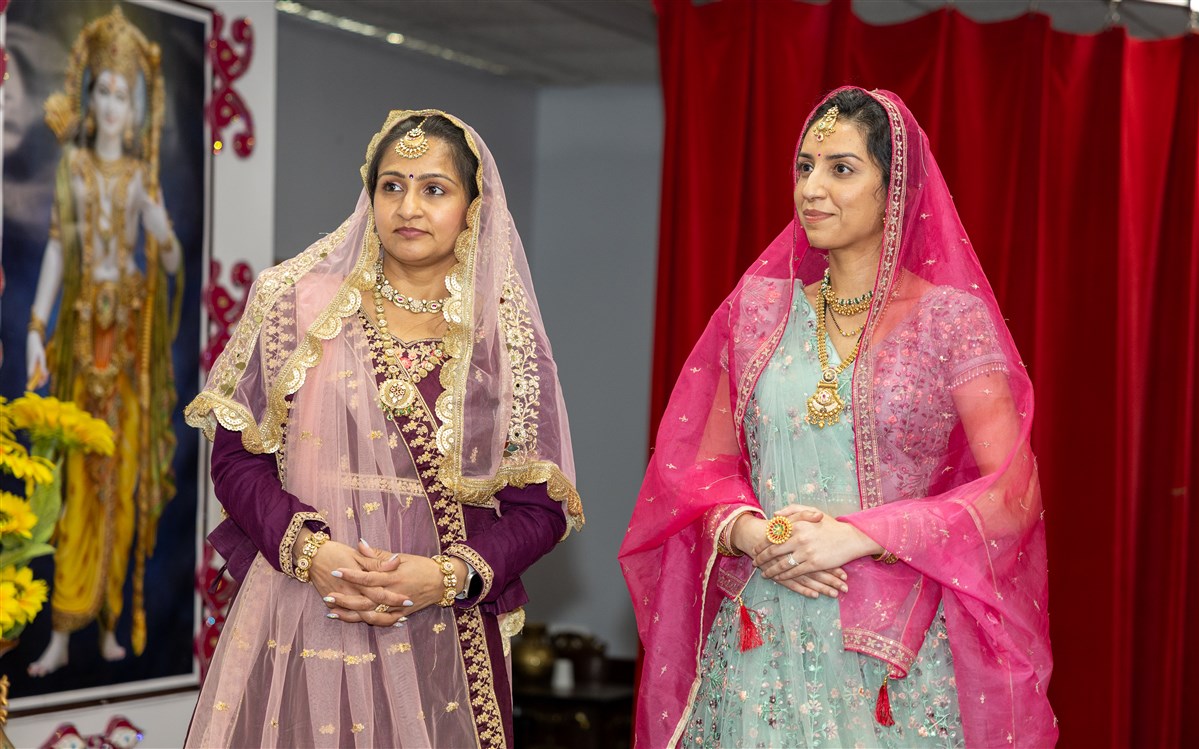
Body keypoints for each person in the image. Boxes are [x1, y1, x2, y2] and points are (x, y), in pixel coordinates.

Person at [620, 87, 1055, 747]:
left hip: (892, 657)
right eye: (805, 167)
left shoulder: (950, 322)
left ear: (894, 188)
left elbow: (1012, 493)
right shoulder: (757, 314)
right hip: (759, 644)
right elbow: (697, 474)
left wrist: (858, 535)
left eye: (841, 168)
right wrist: (751, 532)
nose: (812, 189)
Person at [183, 110, 584, 748]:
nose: (408, 207)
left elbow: (540, 508)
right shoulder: (299, 306)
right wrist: (312, 554)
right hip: (303, 607)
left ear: (473, 208)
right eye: (391, 185)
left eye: (435, 189)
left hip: (440, 631)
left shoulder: (502, 344)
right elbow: (237, 458)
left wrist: (444, 578)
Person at [25, 6, 181, 676]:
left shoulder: (143, 178)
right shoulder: (75, 168)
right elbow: (58, 250)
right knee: (75, 486)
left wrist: (162, 231)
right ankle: (64, 628)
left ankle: (112, 618)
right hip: (81, 339)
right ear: (90, 98)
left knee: (121, 480)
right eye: (104, 92)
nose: (113, 106)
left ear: (135, 106)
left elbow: (169, 261)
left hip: (128, 352)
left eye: (123, 95)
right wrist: (36, 328)